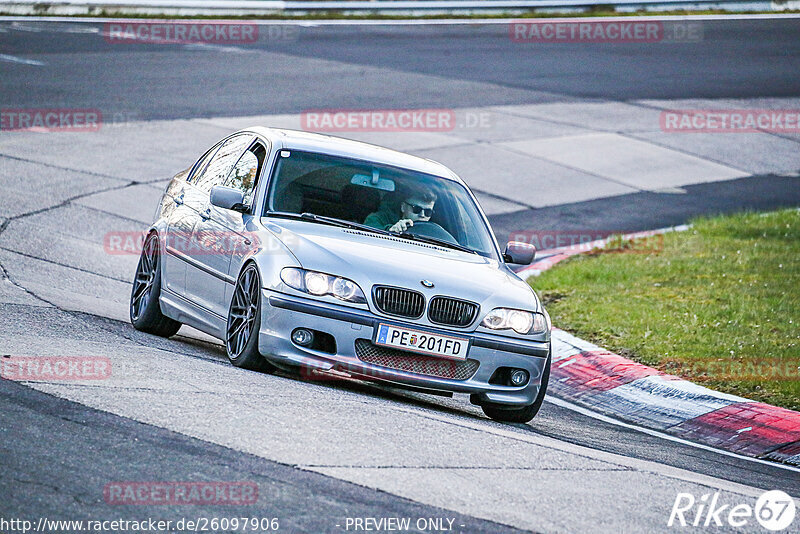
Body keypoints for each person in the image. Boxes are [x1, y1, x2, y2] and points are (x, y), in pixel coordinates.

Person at [364, 185, 437, 233]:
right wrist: (391, 230)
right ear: (403, 207)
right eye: (416, 209)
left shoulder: (435, 232)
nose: (422, 215)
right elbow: (367, 233)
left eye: (428, 212)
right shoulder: (377, 218)